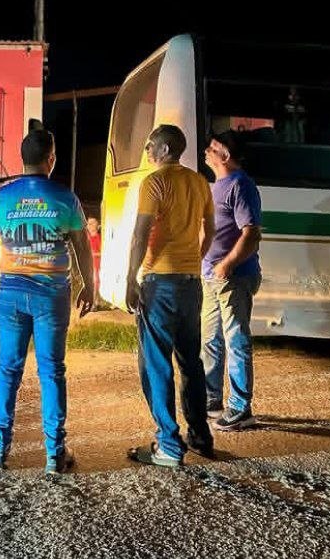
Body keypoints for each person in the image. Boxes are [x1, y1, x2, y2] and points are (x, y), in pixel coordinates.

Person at [0, 126, 95, 474]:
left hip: (11, 294)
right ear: (51, 159)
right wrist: (89, 286)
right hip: (51, 296)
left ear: (22, 158)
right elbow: (82, 246)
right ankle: (54, 455)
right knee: (52, 371)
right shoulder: (65, 198)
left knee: (7, 370)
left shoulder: (2, 197)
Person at [125, 124, 216, 468]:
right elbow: (211, 230)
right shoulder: (199, 182)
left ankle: (168, 445)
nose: (147, 150)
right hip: (191, 284)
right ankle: (200, 436)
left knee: (156, 363)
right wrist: (195, 258)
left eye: (151, 145)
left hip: (160, 283)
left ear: (165, 150)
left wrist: (130, 278)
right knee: (191, 361)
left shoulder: (154, 182)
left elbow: (140, 234)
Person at [201, 130, 263, 431]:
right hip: (211, 276)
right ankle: (211, 399)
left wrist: (226, 265)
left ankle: (240, 407)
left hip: (233, 278)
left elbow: (251, 233)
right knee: (210, 339)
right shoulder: (217, 186)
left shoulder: (240, 185)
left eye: (213, 148)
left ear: (225, 155)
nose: (207, 151)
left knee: (235, 339)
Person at [87, 217, 102, 303]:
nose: (89, 225)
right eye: (88, 223)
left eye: (92, 223)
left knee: (95, 283)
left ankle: (95, 301)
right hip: (89, 265)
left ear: (97, 225)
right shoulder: (86, 238)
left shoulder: (98, 238)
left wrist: (92, 254)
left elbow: (103, 252)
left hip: (96, 265)